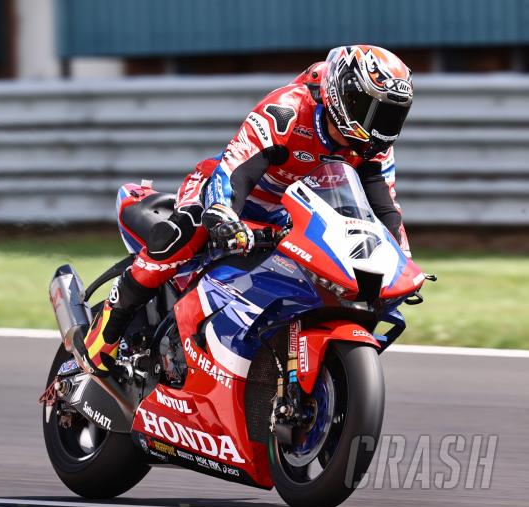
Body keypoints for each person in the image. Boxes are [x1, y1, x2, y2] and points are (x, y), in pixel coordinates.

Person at [76, 45, 414, 378]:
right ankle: (108, 325)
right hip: (227, 196)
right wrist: (223, 211)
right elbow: (236, 169)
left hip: (287, 219)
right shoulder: (288, 109)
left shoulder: (373, 148)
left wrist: (400, 261)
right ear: (344, 96)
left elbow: (385, 210)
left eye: (391, 116)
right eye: (373, 111)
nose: (381, 127)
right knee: (185, 232)